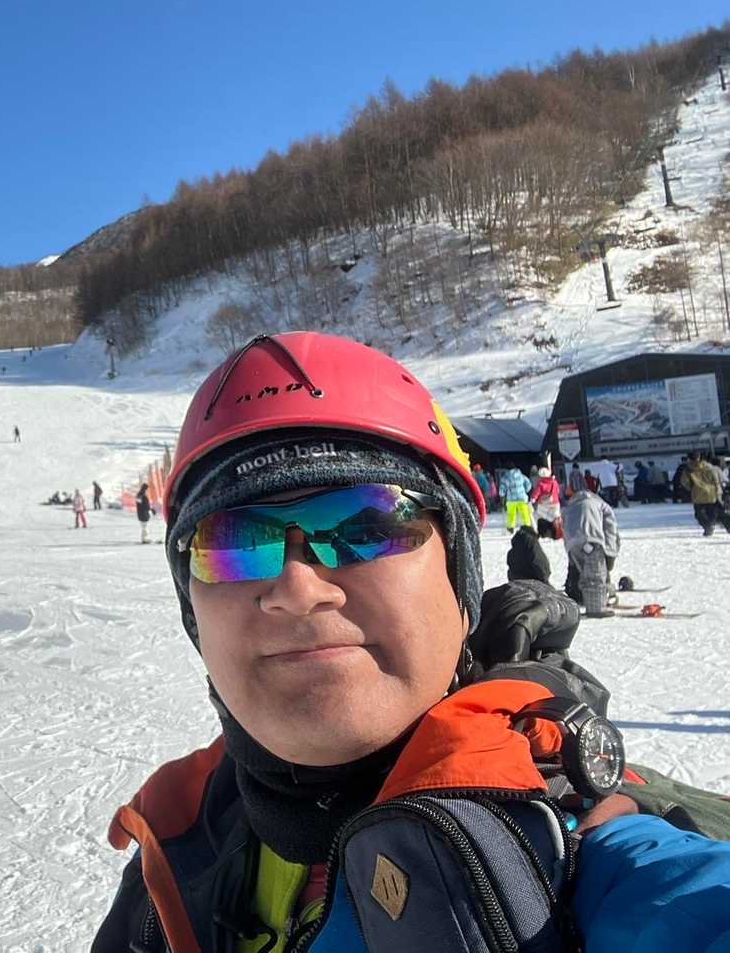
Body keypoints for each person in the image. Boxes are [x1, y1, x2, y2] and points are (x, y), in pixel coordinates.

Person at [92, 332, 730, 952]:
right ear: (193, 613)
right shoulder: (175, 845)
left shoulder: (584, 846)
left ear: (460, 581)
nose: (297, 587)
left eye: (366, 524)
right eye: (231, 543)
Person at [563, 482, 620, 617]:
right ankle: (596, 608)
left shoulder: (570, 505)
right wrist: (611, 552)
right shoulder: (600, 504)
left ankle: (585, 599)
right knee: (595, 574)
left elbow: (564, 526)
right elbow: (610, 528)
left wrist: (569, 550)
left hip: (572, 544)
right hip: (592, 540)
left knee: (583, 573)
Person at [680, 451, 730, 536]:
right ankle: (728, 526)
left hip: (698, 495)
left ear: (689, 459)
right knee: (718, 512)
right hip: (712, 493)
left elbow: (685, 482)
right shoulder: (709, 467)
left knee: (700, 514)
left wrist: (692, 489)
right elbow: (716, 480)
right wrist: (718, 491)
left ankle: (708, 527)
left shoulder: (688, 470)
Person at [529, 465, 562, 539]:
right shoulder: (554, 482)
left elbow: (536, 492)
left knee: (542, 518)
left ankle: (544, 532)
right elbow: (558, 491)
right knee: (556, 518)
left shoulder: (541, 483)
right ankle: (558, 531)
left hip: (544, 504)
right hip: (555, 502)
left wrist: (533, 499)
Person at [499, 465, 532, 530]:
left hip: (511, 499)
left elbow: (502, 489)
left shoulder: (505, 478)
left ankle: (511, 527)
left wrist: (502, 495)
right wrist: (525, 490)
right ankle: (527, 525)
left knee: (511, 514)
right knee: (524, 513)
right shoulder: (521, 475)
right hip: (522, 497)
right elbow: (528, 483)